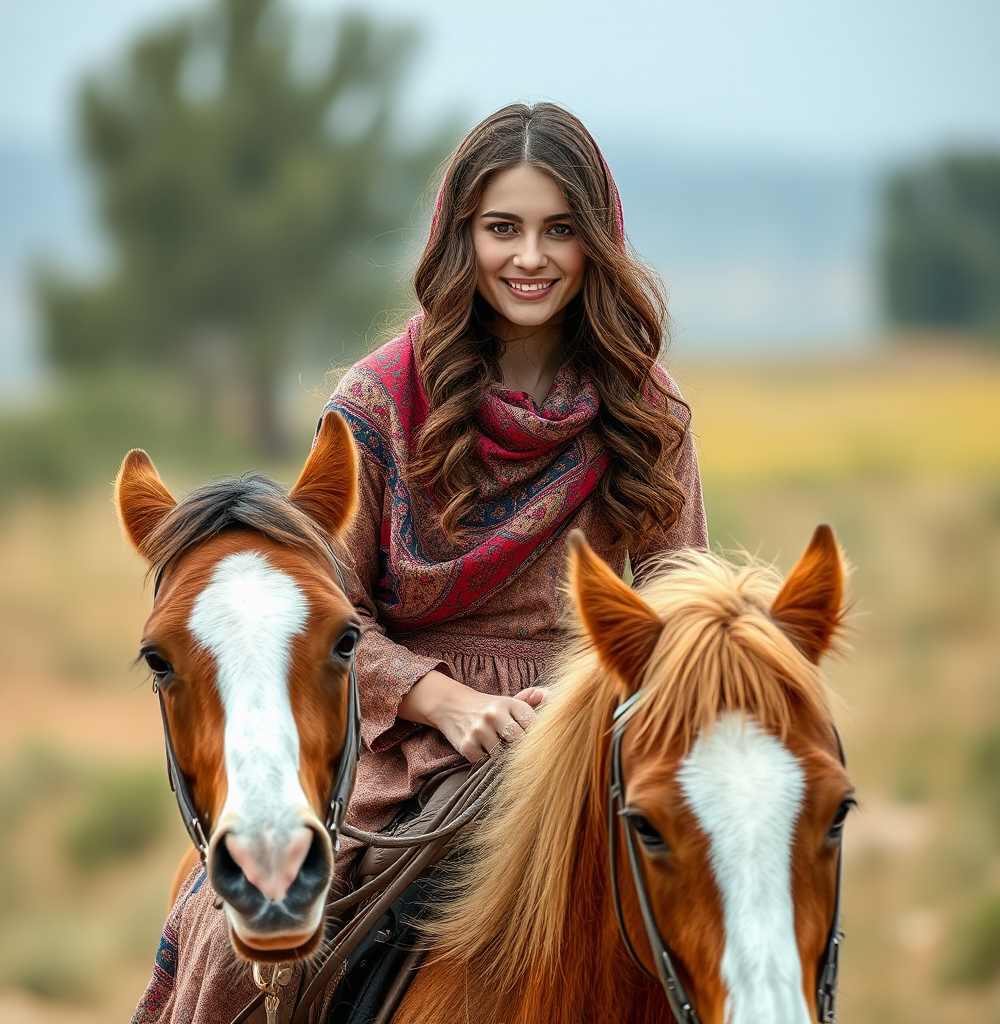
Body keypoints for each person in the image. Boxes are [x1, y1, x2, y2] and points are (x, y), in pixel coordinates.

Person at [131, 101, 707, 1024]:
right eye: (502, 228)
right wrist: (444, 699)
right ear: (459, 238)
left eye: (559, 229)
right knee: (235, 948)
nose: (530, 257)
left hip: (592, 737)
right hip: (409, 743)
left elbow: (680, 608)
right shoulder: (378, 400)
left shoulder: (647, 407)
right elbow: (323, 612)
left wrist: (579, 707)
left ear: (598, 242)